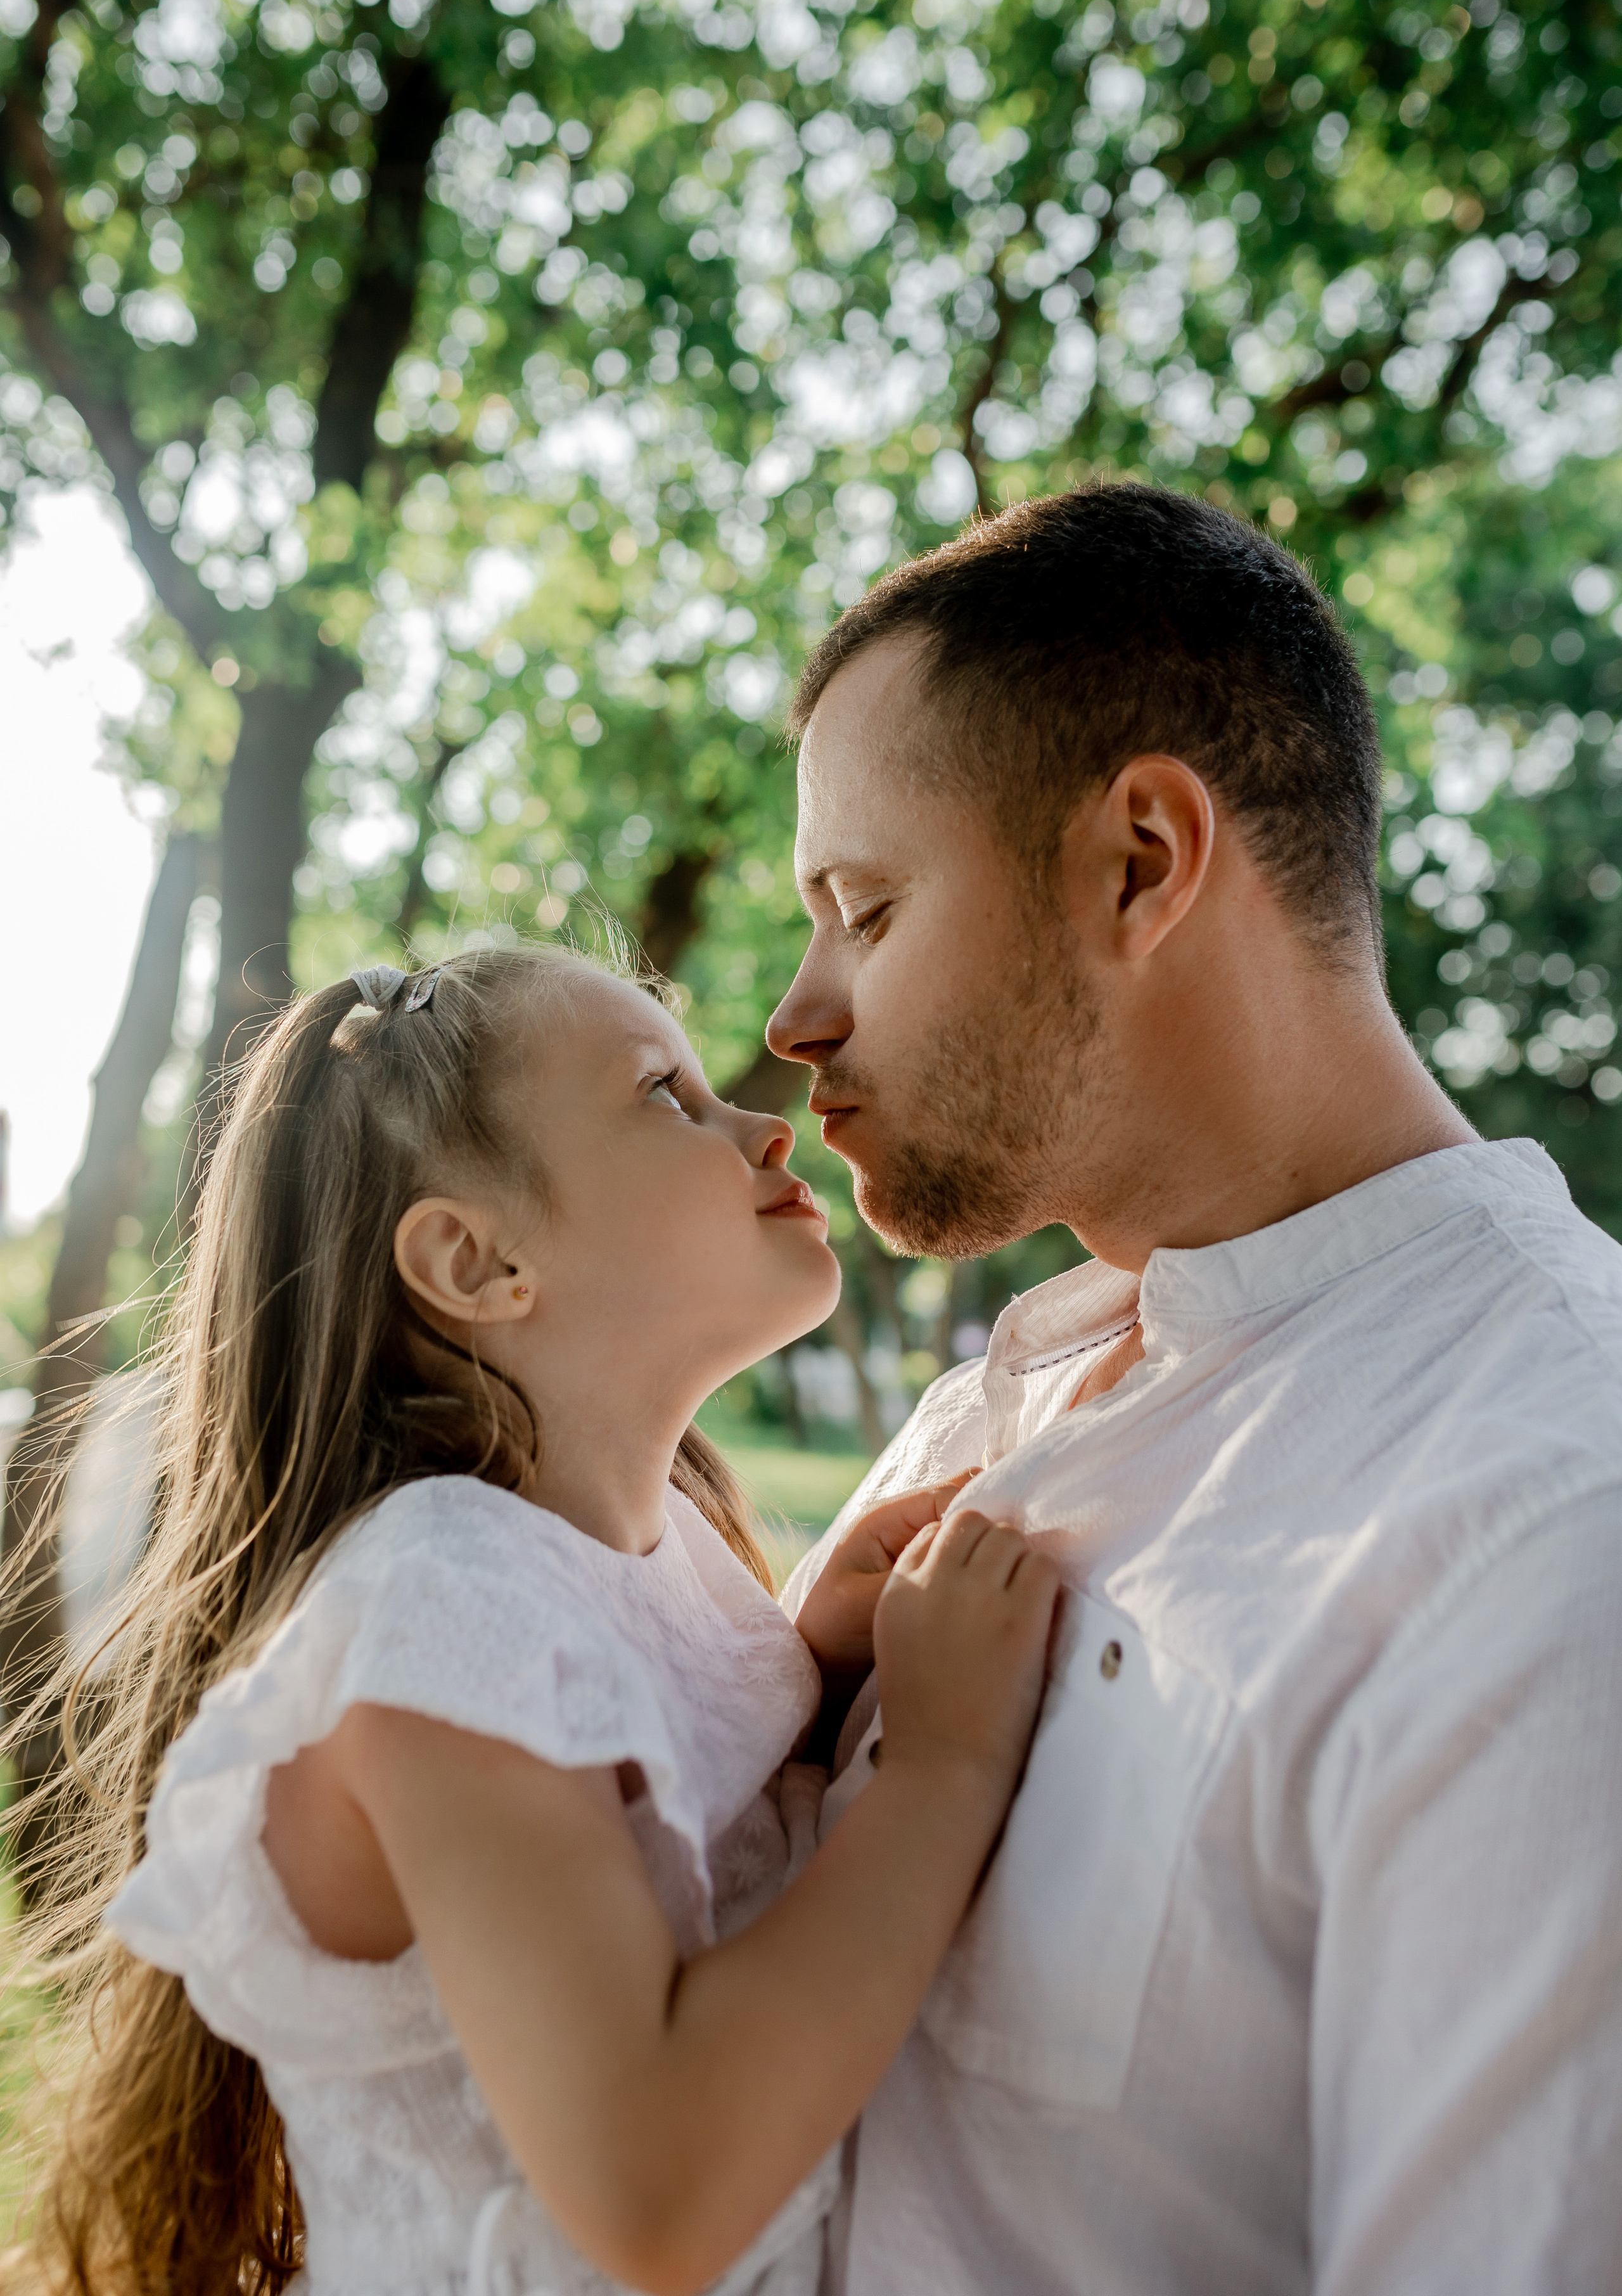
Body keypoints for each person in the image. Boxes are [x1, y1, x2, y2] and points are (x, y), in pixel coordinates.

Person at [767, 482, 1622, 2295]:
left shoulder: (1556, 1520)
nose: (795, 1017)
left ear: (1144, 860)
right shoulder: (991, 1406)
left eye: (862, 907)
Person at [3, 946, 1058, 2296]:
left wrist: (811, 1654)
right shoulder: (436, 1610)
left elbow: (675, 1818)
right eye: (664, 1097)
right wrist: (938, 1767)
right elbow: (656, 2192)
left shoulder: (643, 1543)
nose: (763, 1121)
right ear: (477, 1259)